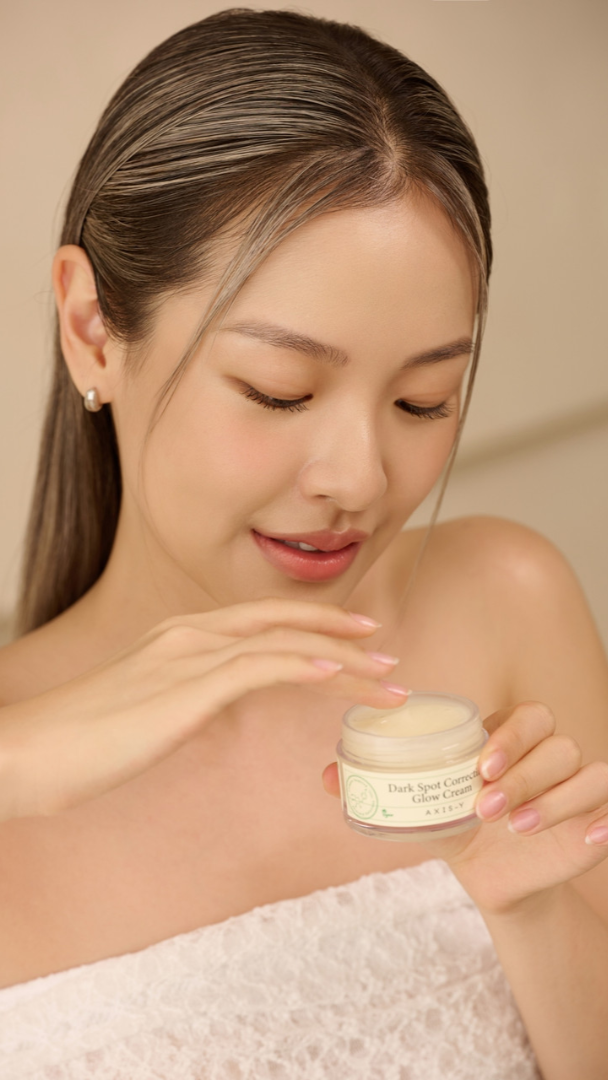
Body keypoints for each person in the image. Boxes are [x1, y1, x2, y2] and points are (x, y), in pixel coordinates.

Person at [0, 8, 606, 1078]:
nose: (361, 480)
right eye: (278, 391)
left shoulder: (502, 602)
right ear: (92, 326)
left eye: (423, 401)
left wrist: (534, 907)